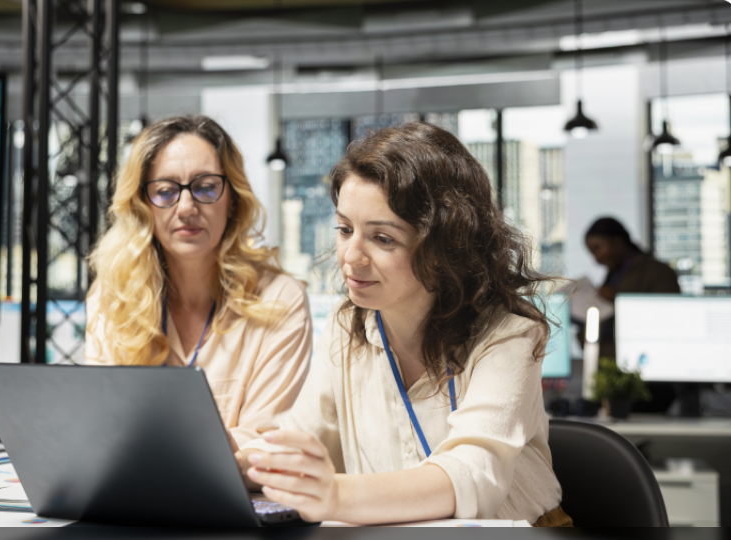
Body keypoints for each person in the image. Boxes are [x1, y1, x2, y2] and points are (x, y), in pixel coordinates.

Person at [235, 122, 570, 526]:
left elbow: (472, 477)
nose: (351, 257)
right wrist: (228, 458)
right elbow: (304, 439)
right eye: (344, 229)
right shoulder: (348, 327)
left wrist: (334, 494)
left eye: (382, 239)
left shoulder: (509, 336)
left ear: (446, 245)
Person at [85, 115, 312, 447]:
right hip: (131, 495)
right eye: (165, 191)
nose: (187, 207)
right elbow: (101, 426)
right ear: (143, 205)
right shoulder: (112, 296)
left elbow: (267, 440)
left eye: (205, 187)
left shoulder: (279, 299)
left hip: (238, 497)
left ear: (232, 198)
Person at [584, 217, 680, 412]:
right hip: (615, 376)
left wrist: (618, 299)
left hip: (646, 377)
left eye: (598, 248)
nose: (596, 258)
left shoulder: (657, 272)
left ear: (618, 241)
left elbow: (668, 319)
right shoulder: (615, 271)